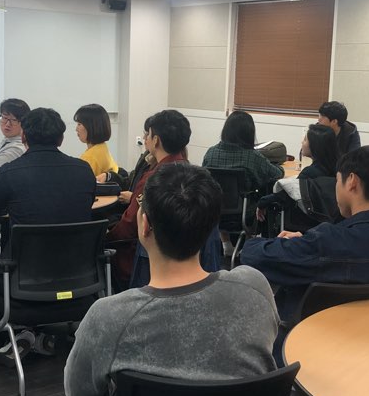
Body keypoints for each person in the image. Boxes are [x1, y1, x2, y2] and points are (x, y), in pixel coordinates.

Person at [64, 163, 279, 396]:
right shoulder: (254, 287)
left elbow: (77, 390)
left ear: (144, 225)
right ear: (211, 226)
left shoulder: (110, 316)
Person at [0, 108, 97, 343]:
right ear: (61, 139)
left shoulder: (9, 173)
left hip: (23, 284)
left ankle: (5, 338)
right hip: (80, 281)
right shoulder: (84, 171)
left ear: (24, 136)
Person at [240, 145, 369, 319]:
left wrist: (297, 244)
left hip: (304, 331)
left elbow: (251, 254)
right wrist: (305, 242)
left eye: (337, 181)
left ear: (351, 181)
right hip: (368, 330)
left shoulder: (325, 241)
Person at [108, 109, 190, 286]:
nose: (145, 138)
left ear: (156, 140)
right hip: (185, 256)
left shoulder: (154, 178)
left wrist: (106, 237)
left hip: (146, 257)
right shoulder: (192, 172)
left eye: (148, 134)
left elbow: (130, 224)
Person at [202, 110, 284, 190]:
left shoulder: (211, 152)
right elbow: (278, 173)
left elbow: (203, 178)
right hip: (244, 199)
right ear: (249, 133)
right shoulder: (252, 156)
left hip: (213, 198)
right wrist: (276, 165)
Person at [0, 98, 30, 180]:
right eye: (4, 118)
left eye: (14, 120)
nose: (8, 124)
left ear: (24, 122)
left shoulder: (16, 148)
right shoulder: (8, 140)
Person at [74, 103, 119, 178]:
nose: (76, 129)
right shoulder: (102, 147)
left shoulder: (90, 157)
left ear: (91, 126)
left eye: (79, 124)